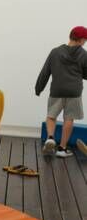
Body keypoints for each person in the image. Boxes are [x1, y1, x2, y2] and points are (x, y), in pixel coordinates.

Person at [35, 26, 87, 158]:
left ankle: (50, 138)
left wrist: (39, 88)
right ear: (81, 40)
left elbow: (45, 71)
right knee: (69, 118)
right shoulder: (83, 54)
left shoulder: (55, 52)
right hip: (74, 92)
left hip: (57, 89)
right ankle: (62, 149)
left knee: (51, 116)